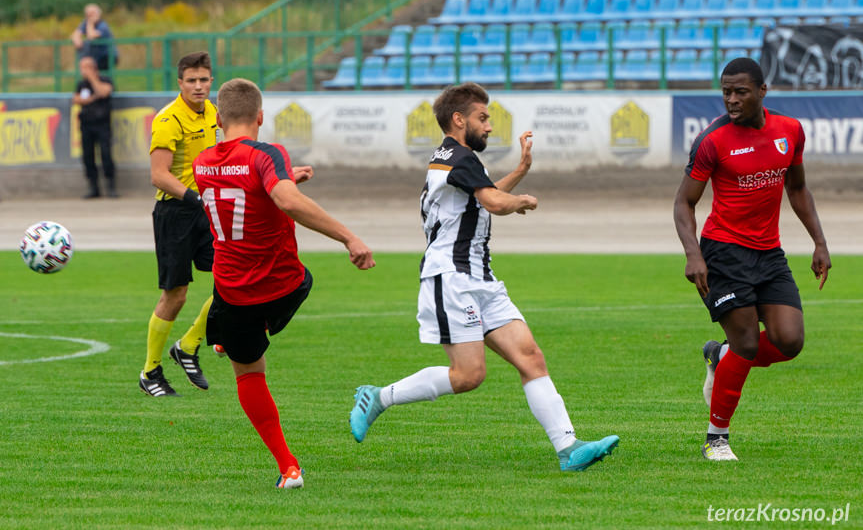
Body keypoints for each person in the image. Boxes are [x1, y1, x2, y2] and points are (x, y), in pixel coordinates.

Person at [349, 82, 619, 472]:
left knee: (531, 358)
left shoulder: (453, 157)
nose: (489, 125)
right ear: (458, 120)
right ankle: (378, 397)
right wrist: (521, 200)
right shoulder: (459, 157)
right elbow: (493, 200)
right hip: (452, 276)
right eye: (482, 117)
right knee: (469, 375)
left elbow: (483, 195)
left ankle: (569, 448)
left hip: (480, 276)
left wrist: (521, 171)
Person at [193, 77, 375, 489]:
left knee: (248, 373)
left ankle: (288, 467)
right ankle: (225, 336)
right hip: (281, 284)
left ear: (218, 119)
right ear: (260, 116)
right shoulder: (267, 154)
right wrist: (349, 237)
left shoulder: (202, 163)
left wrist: (285, 178)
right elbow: (284, 199)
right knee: (306, 278)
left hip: (232, 291)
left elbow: (238, 186)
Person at [673, 57, 831, 461]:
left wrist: (819, 242)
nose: (732, 99)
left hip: (768, 253)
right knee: (745, 342)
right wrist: (694, 255)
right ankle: (716, 438)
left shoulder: (790, 131)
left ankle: (718, 356)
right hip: (723, 253)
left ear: (762, 91)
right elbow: (684, 202)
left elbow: (797, 189)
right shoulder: (712, 140)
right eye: (726, 92)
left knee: (790, 340)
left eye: (740, 91)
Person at [139, 51, 219, 397]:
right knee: (176, 295)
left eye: (203, 80)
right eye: (192, 81)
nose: (198, 86)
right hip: (175, 213)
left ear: (211, 80)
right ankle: (150, 371)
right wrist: (196, 199)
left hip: (207, 210)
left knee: (233, 280)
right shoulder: (168, 119)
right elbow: (159, 176)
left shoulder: (214, 112)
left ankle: (188, 346)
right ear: (180, 83)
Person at [73, 56, 117, 199]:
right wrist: (92, 98)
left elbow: (104, 92)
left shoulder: (104, 80)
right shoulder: (81, 84)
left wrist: (92, 78)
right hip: (86, 125)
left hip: (102, 124)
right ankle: (93, 187)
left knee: (105, 154)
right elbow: (77, 99)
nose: (82, 71)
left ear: (93, 67)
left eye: (85, 67)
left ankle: (110, 186)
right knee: (88, 156)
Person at [70, 4, 116, 71]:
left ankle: (97, 81)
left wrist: (90, 23)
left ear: (98, 14)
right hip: (95, 57)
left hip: (107, 56)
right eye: (88, 14)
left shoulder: (103, 25)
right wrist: (77, 40)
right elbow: (75, 34)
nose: (90, 16)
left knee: (89, 68)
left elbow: (91, 36)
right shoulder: (85, 23)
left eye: (92, 14)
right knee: (85, 65)